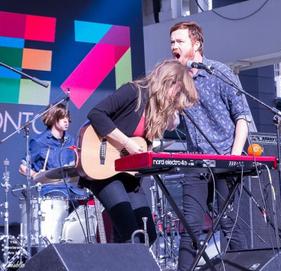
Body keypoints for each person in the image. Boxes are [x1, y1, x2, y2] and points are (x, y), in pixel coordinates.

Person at [81, 59, 198, 245]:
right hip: (104, 169)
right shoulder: (134, 91)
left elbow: (161, 133)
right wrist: (126, 143)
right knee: (130, 232)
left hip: (129, 176)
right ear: (170, 82)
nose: (178, 98)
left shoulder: (157, 111)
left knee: (147, 235)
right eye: (179, 91)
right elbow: (96, 114)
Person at [170, 21, 252, 270]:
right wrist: (170, 99)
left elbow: (243, 117)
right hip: (196, 163)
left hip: (224, 159)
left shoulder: (218, 72)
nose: (174, 46)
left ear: (196, 44)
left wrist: (235, 157)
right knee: (191, 227)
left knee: (230, 224)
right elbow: (173, 124)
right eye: (172, 42)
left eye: (179, 41)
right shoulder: (176, 80)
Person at [19, 103, 86, 244]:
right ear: (53, 118)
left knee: (90, 200)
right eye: (62, 118)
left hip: (72, 189)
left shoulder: (71, 140)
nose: (66, 121)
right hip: (51, 191)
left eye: (67, 117)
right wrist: (36, 176)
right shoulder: (39, 142)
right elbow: (23, 167)